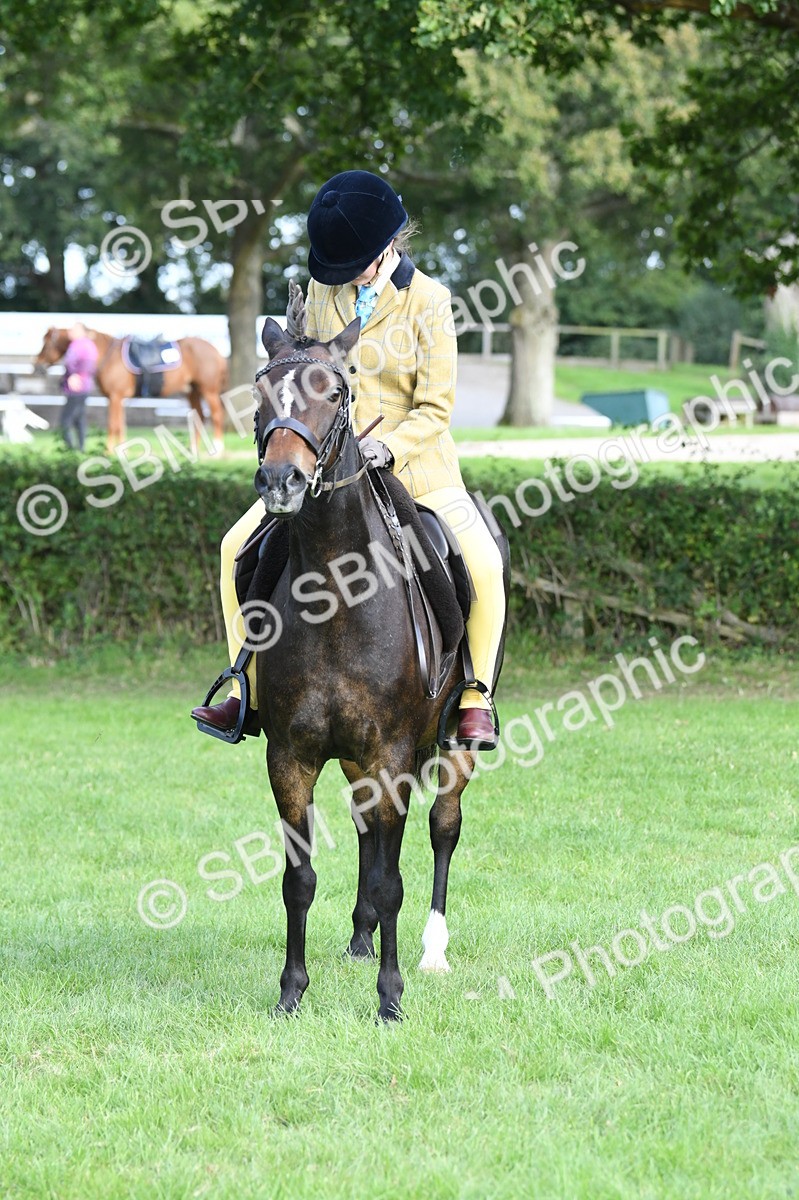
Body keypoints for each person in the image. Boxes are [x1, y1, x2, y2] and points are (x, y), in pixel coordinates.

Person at [192, 169, 506, 748]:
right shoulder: (322, 293)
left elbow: (436, 408)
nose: (344, 277)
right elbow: (305, 376)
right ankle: (244, 687)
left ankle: (474, 696)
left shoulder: (430, 302)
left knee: (483, 564)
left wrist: (388, 447)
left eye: (354, 265)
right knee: (234, 546)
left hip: (415, 468)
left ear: (389, 245)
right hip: (326, 472)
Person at [60, 323, 98, 451]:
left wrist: (75, 375)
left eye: (73, 329)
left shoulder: (79, 345)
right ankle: (81, 448)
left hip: (77, 386)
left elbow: (76, 363)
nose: (70, 331)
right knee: (79, 419)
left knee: (65, 420)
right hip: (84, 386)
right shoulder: (88, 345)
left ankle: (71, 449)